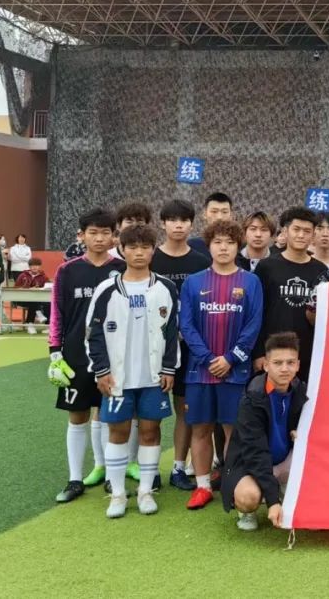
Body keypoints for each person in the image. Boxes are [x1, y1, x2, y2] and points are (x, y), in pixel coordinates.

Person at [85, 224, 179, 518]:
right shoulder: (106, 289)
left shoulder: (166, 288)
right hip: (117, 377)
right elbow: (93, 333)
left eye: (145, 247)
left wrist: (168, 368)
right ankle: (117, 494)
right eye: (133, 247)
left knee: (151, 431)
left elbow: (173, 332)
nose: (139, 253)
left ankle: (146, 492)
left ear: (153, 250)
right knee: (119, 431)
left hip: (153, 376)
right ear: (122, 250)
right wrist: (101, 370)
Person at [180, 218, 264, 511]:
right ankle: (202, 487)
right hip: (199, 371)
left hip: (235, 371)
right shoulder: (193, 282)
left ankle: (231, 482)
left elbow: (253, 325)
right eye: (218, 242)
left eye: (230, 242)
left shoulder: (251, 282)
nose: (224, 248)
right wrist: (207, 358)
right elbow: (186, 325)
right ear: (209, 246)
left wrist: (230, 358)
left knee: (233, 431)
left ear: (238, 246)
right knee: (200, 429)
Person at [48, 208, 126, 502]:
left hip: (113, 354)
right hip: (75, 353)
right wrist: (55, 351)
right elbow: (57, 313)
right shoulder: (67, 271)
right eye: (93, 232)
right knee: (77, 415)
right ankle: (74, 479)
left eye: (106, 232)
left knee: (107, 413)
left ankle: (109, 475)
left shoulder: (122, 268)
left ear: (114, 236)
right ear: (81, 236)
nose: (99, 238)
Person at [150, 198, 211, 491]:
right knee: (150, 412)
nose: (178, 225)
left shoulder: (201, 262)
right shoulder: (150, 259)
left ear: (191, 224)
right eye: (172, 220)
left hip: (189, 349)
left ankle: (178, 468)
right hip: (153, 347)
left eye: (184, 220)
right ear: (162, 223)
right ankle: (148, 469)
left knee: (184, 410)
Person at [221, 331, 307, 532]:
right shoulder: (252, 398)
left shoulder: (302, 390)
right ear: (266, 365)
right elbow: (255, 453)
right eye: (278, 363)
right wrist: (272, 501)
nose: (284, 368)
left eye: (290, 362)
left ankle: (286, 488)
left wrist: (297, 431)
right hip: (250, 463)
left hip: (285, 460)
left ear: (298, 365)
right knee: (248, 497)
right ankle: (248, 511)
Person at [252, 207, 325, 386]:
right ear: (285, 231)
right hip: (272, 352)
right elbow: (256, 312)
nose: (301, 235)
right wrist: (259, 352)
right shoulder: (267, 267)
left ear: (313, 235)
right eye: (296, 229)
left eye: (307, 231)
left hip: (307, 353)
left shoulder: (321, 270)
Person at [15, 258, 49, 332]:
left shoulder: (44, 277)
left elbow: (48, 287)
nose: (34, 267)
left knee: (48, 303)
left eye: (37, 265)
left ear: (40, 266)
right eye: (32, 265)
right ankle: (32, 322)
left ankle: (48, 326)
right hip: (23, 299)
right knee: (33, 301)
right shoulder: (22, 275)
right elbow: (16, 287)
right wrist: (29, 289)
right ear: (29, 266)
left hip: (39, 299)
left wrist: (39, 289)